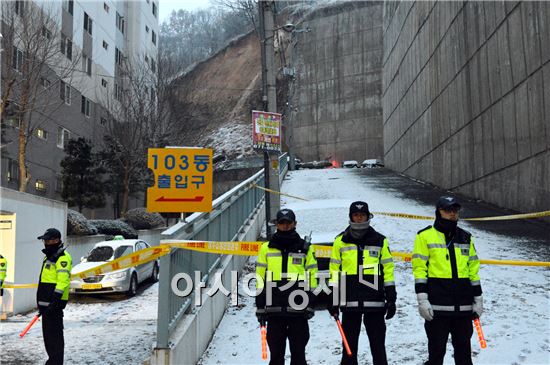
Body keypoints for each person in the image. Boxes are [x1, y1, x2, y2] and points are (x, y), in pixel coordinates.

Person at [412, 196, 483, 365]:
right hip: (437, 308)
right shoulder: (425, 236)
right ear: (439, 212)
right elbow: (420, 269)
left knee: (464, 355)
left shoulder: (466, 237)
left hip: (463, 307)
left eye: (455, 210)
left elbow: (473, 270)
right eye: (448, 210)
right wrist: (422, 300)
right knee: (436, 354)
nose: (452, 214)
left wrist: (478, 298)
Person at [329, 201, 396, 365]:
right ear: (351, 217)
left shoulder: (380, 241)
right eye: (356, 215)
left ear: (368, 216)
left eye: (362, 215)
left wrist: (391, 298)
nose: (359, 219)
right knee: (349, 349)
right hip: (350, 302)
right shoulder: (340, 241)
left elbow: (387, 269)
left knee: (378, 347)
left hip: (375, 302)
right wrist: (333, 298)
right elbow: (334, 271)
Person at [255, 208, 318, 365]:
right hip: (275, 311)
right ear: (276, 224)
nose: (285, 226)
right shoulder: (266, 248)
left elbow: (313, 277)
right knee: (276, 356)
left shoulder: (306, 248)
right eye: (281, 223)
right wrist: (260, 305)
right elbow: (260, 278)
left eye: (288, 222)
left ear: (294, 223)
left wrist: (310, 302)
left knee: (299, 355)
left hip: (298, 310)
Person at [37, 228, 72, 365]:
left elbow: (63, 281)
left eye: (47, 240)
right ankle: (52, 361)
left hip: (54, 305)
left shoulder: (62, 257)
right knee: (48, 338)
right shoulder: (50, 256)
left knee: (55, 338)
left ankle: (55, 363)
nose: (45, 242)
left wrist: (54, 301)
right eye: (44, 240)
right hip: (46, 305)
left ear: (56, 240)